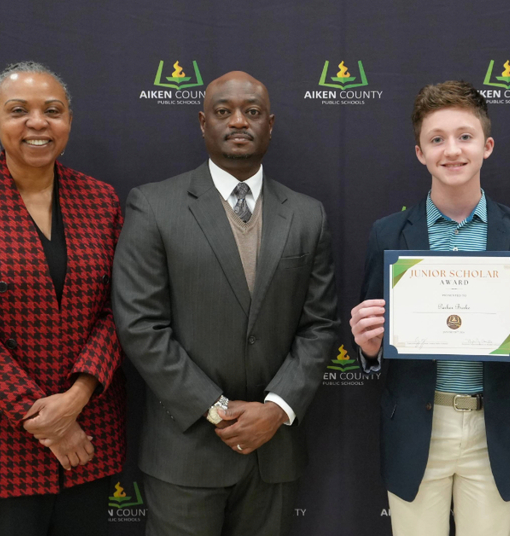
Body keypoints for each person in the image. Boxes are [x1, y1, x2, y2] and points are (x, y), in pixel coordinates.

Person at [112, 71, 338, 536]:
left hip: (274, 452)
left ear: (270, 125)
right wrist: (217, 409)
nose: (238, 121)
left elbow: (318, 326)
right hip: (186, 452)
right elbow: (140, 326)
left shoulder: (307, 215)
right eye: (223, 111)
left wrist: (275, 409)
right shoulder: (154, 206)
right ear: (203, 123)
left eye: (252, 112)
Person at [0, 61, 126, 536]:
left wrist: (75, 399)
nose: (38, 123)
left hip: (88, 430)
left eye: (52, 111)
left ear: (68, 121)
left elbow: (121, 310)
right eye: (19, 111)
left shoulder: (101, 200)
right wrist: (47, 421)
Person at [350, 80, 510, 536]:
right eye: (436, 139)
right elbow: (372, 349)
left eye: (465, 136)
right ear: (420, 153)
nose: (452, 150)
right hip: (416, 428)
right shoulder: (388, 234)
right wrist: (367, 347)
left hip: (494, 431)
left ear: (487, 146)